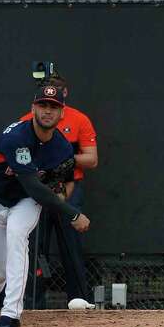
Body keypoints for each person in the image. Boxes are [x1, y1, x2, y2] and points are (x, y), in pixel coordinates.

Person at [0, 83, 92, 327]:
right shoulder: (15, 137)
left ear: (61, 113)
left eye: (53, 107)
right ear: (33, 108)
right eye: (43, 105)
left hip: (26, 202)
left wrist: (59, 194)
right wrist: (72, 213)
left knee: (18, 237)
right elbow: (32, 185)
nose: (48, 111)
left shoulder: (63, 148)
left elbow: (61, 183)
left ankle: (10, 316)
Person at [19, 75, 98, 304]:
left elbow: (91, 159)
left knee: (71, 245)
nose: (48, 109)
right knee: (35, 247)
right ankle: (32, 302)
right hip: (38, 190)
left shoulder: (80, 119)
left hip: (69, 187)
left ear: (65, 93)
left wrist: (62, 158)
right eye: (45, 99)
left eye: (58, 91)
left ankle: (79, 300)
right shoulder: (27, 122)